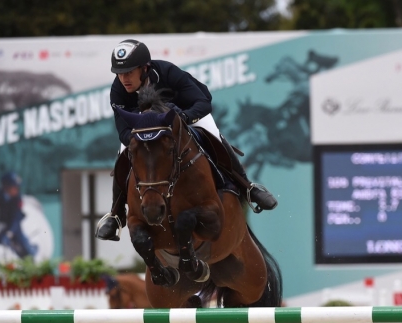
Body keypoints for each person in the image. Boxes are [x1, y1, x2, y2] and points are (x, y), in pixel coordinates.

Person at [95, 39, 278, 241]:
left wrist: (185, 117)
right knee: (123, 152)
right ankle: (116, 214)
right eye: (119, 73)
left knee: (214, 135)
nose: (124, 79)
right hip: (147, 128)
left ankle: (248, 187)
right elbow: (123, 130)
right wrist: (138, 139)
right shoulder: (118, 90)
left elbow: (203, 103)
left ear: (144, 68)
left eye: (129, 72)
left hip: (188, 115)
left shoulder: (168, 73)